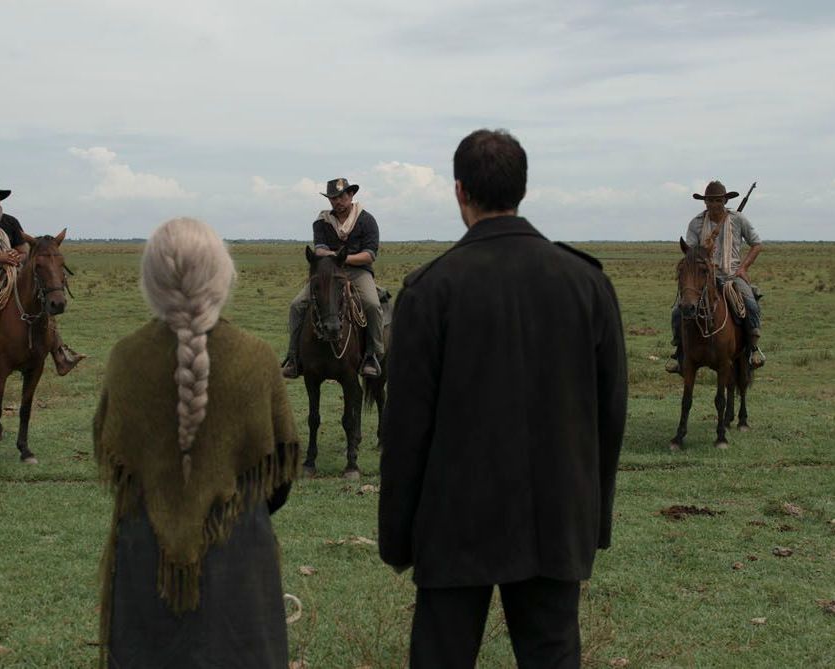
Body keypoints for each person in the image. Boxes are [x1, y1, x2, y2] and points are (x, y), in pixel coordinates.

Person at [378, 129, 628, 669]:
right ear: (523, 189)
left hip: (453, 523)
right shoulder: (587, 284)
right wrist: (591, 521)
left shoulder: (429, 290)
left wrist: (397, 538)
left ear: (459, 192)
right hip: (555, 520)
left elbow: (404, 430)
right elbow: (610, 418)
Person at [93, 218, 299, 669]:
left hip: (146, 559)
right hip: (239, 557)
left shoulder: (125, 358)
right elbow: (279, 478)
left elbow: (114, 459)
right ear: (222, 274)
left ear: (151, 280)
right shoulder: (257, 357)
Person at [0, 176, 85, 381]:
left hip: (10, 270)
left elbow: (24, 251)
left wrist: (15, 257)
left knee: (38, 298)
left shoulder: (10, 222)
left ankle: (59, 350)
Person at [281, 177, 384, 378]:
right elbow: (319, 250)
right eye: (333, 198)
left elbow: (369, 255)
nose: (338, 201)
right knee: (297, 305)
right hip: (328, 273)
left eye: (342, 196)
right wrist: (335, 259)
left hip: (358, 271)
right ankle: (294, 357)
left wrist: (341, 258)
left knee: (372, 304)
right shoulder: (322, 221)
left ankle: (373, 355)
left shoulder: (366, 220)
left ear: (351, 195)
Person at [666, 180, 765, 373]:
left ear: (725, 201)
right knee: (678, 311)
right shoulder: (696, 223)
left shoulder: (738, 219)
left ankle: (753, 350)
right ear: (705, 202)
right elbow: (690, 254)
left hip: (731, 275)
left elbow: (757, 244)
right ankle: (680, 353)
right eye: (710, 200)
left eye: (718, 200)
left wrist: (743, 268)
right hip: (704, 278)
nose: (714, 204)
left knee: (751, 305)